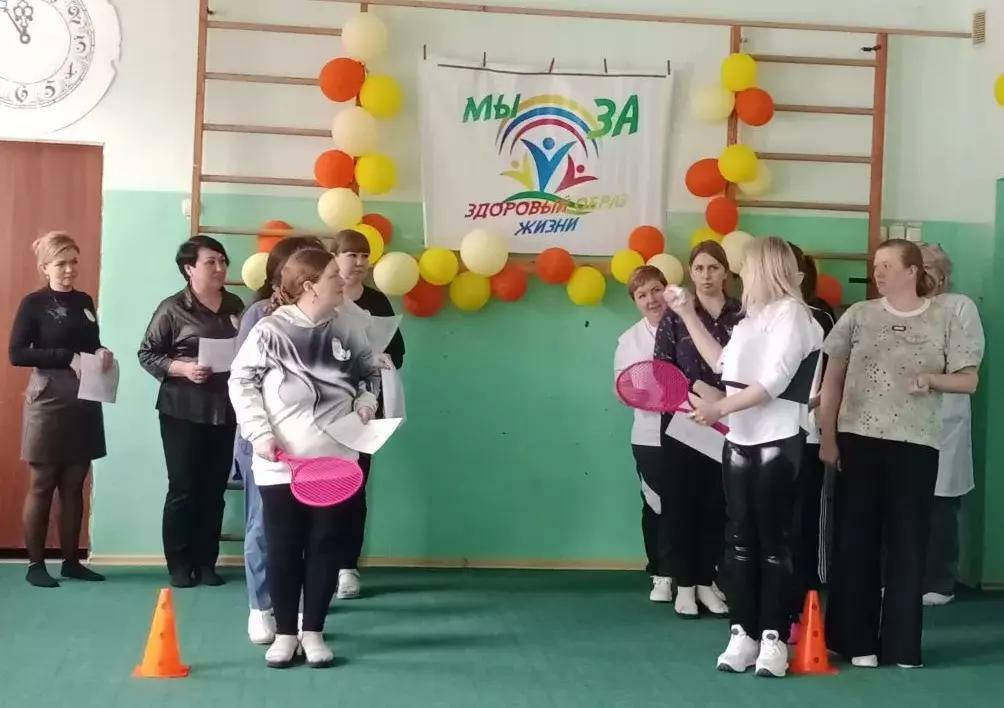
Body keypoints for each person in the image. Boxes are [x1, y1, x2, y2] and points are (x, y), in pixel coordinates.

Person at [819, 239, 982, 669]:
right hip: (858, 440)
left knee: (908, 545)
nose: (879, 272)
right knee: (857, 542)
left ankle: (902, 646)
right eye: (877, 266)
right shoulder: (858, 315)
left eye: (888, 265)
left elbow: (968, 380)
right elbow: (832, 379)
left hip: (916, 444)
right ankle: (857, 643)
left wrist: (932, 379)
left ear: (913, 271)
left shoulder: (945, 317)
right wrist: (828, 437)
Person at [665, 236, 823, 677]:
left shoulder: (794, 316)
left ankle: (773, 637)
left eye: (747, 267)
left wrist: (719, 409)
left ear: (767, 269)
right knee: (739, 542)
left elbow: (772, 383)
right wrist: (685, 313)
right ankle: (743, 632)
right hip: (740, 441)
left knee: (774, 543)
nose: (742, 275)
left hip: (778, 442)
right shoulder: (751, 319)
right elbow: (722, 363)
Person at [229, 248, 381, 668]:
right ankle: (284, 634)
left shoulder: (349, 326)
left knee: (325, 546)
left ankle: (312, 631)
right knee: (283, 547)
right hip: (280, 464)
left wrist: (366, 403)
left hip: (337, 462)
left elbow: (369, 374)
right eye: (334, 275)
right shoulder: (270, 330)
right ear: (311, 286)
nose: (343, 280)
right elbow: (241, 383)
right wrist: (259, 432)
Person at [138, 235, 244, 588]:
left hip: (224, 409)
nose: (219, 268)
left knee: (214, 490)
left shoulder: (235, 304)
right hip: (182, 409)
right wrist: (183, 368)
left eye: (222, 261)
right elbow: (147, 353)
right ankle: (179, 564)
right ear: (189, 269)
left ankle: (206, 562)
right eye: (211, 261)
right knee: (184, 488)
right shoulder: (172, 308)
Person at [8, 232, 113, 588]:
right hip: (49, 398)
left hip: (84, 398)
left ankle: (71, 562)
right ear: (45, 267)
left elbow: (90, 345)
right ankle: (36, 565)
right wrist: (64, 356)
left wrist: (101, 352)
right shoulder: (33, 303)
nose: (69, 269)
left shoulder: (84, 300)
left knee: (75, 482)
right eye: (61, 263)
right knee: (43, 482)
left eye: (73, 262)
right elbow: (17, 353)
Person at [234, 236, 325, 645]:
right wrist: (260, 434)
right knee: (263, 527)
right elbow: (244, 381)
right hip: (266, 443)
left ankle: (301, 609)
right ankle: (261, 606)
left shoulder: (327, 319)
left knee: (309, 531)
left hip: (311, 443)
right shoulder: (259, 316)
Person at [653, 242, 741, 618]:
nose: (706, 276)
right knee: (680, 505)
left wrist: (723, 399)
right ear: (691, 273)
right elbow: (661, 369)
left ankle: (707, 581)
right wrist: (692, 394)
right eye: (699, 268)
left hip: (728, 421)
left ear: (725, 272)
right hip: (682, 422)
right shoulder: (674, 316)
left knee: (716, 505)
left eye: (713, 268)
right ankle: (685, 585)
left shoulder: (742, 313)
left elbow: (750, 367)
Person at [329, 229, 406, 600]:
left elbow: (398, 352)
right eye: (351, 255)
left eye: (364, 256)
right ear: (334, 257)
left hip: (365, 409)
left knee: (354, 487)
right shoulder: (325, 296)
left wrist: (380, 359)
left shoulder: (377, 301)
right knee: (322, 487)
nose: (359, 263)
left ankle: (348, 566)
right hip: (324, 408)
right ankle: (318, 564)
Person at [917, 243, 984, 607]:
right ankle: (904, 577)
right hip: (903, 419)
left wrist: (926, 372)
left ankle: (941, 582)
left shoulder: (961, 306)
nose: (918, 272)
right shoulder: (902, 306)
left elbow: (966, 360)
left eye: (925, 265)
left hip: (945, 419)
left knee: (941, 504)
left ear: (942, 273)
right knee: (905, 503)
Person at [613, 265, 673, 602]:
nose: (651, 299)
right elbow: (622, 389)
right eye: (642, 295)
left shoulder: (691, 327)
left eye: (656, 290)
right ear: (635, 302)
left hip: (697, 433)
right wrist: (647, 393)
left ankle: (702, 576)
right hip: (650, 437)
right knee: (656, 504)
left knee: (700, 504)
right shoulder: (629, 341)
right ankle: (662, 574)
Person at [786, 244, 836, 638]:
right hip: (760, 440)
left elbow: (829, 382)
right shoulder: (752, 318)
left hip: (805, 435)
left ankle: (805, 600)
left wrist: (827, 433)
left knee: (803, 520)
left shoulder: (818, 317)